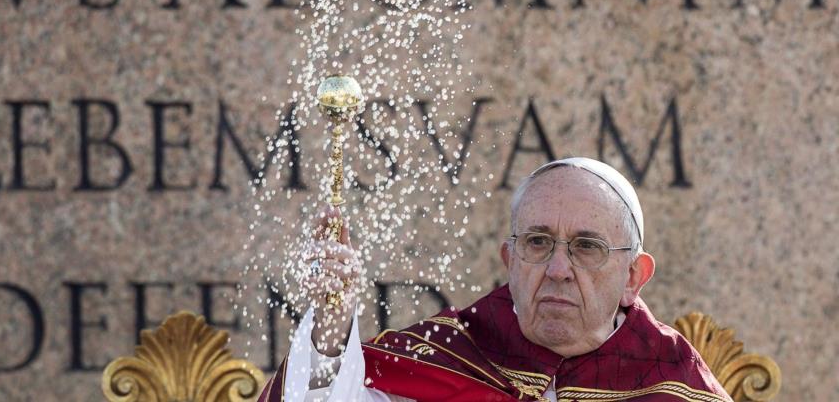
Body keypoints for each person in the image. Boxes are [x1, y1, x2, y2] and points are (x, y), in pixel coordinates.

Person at [259, 157, 731, 401]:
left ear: (633, 276)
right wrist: (330, 328)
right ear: (510, 259)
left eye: (587, 247)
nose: (558, 270)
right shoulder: (443, 361)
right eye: (538, 242)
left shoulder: (675, 387)